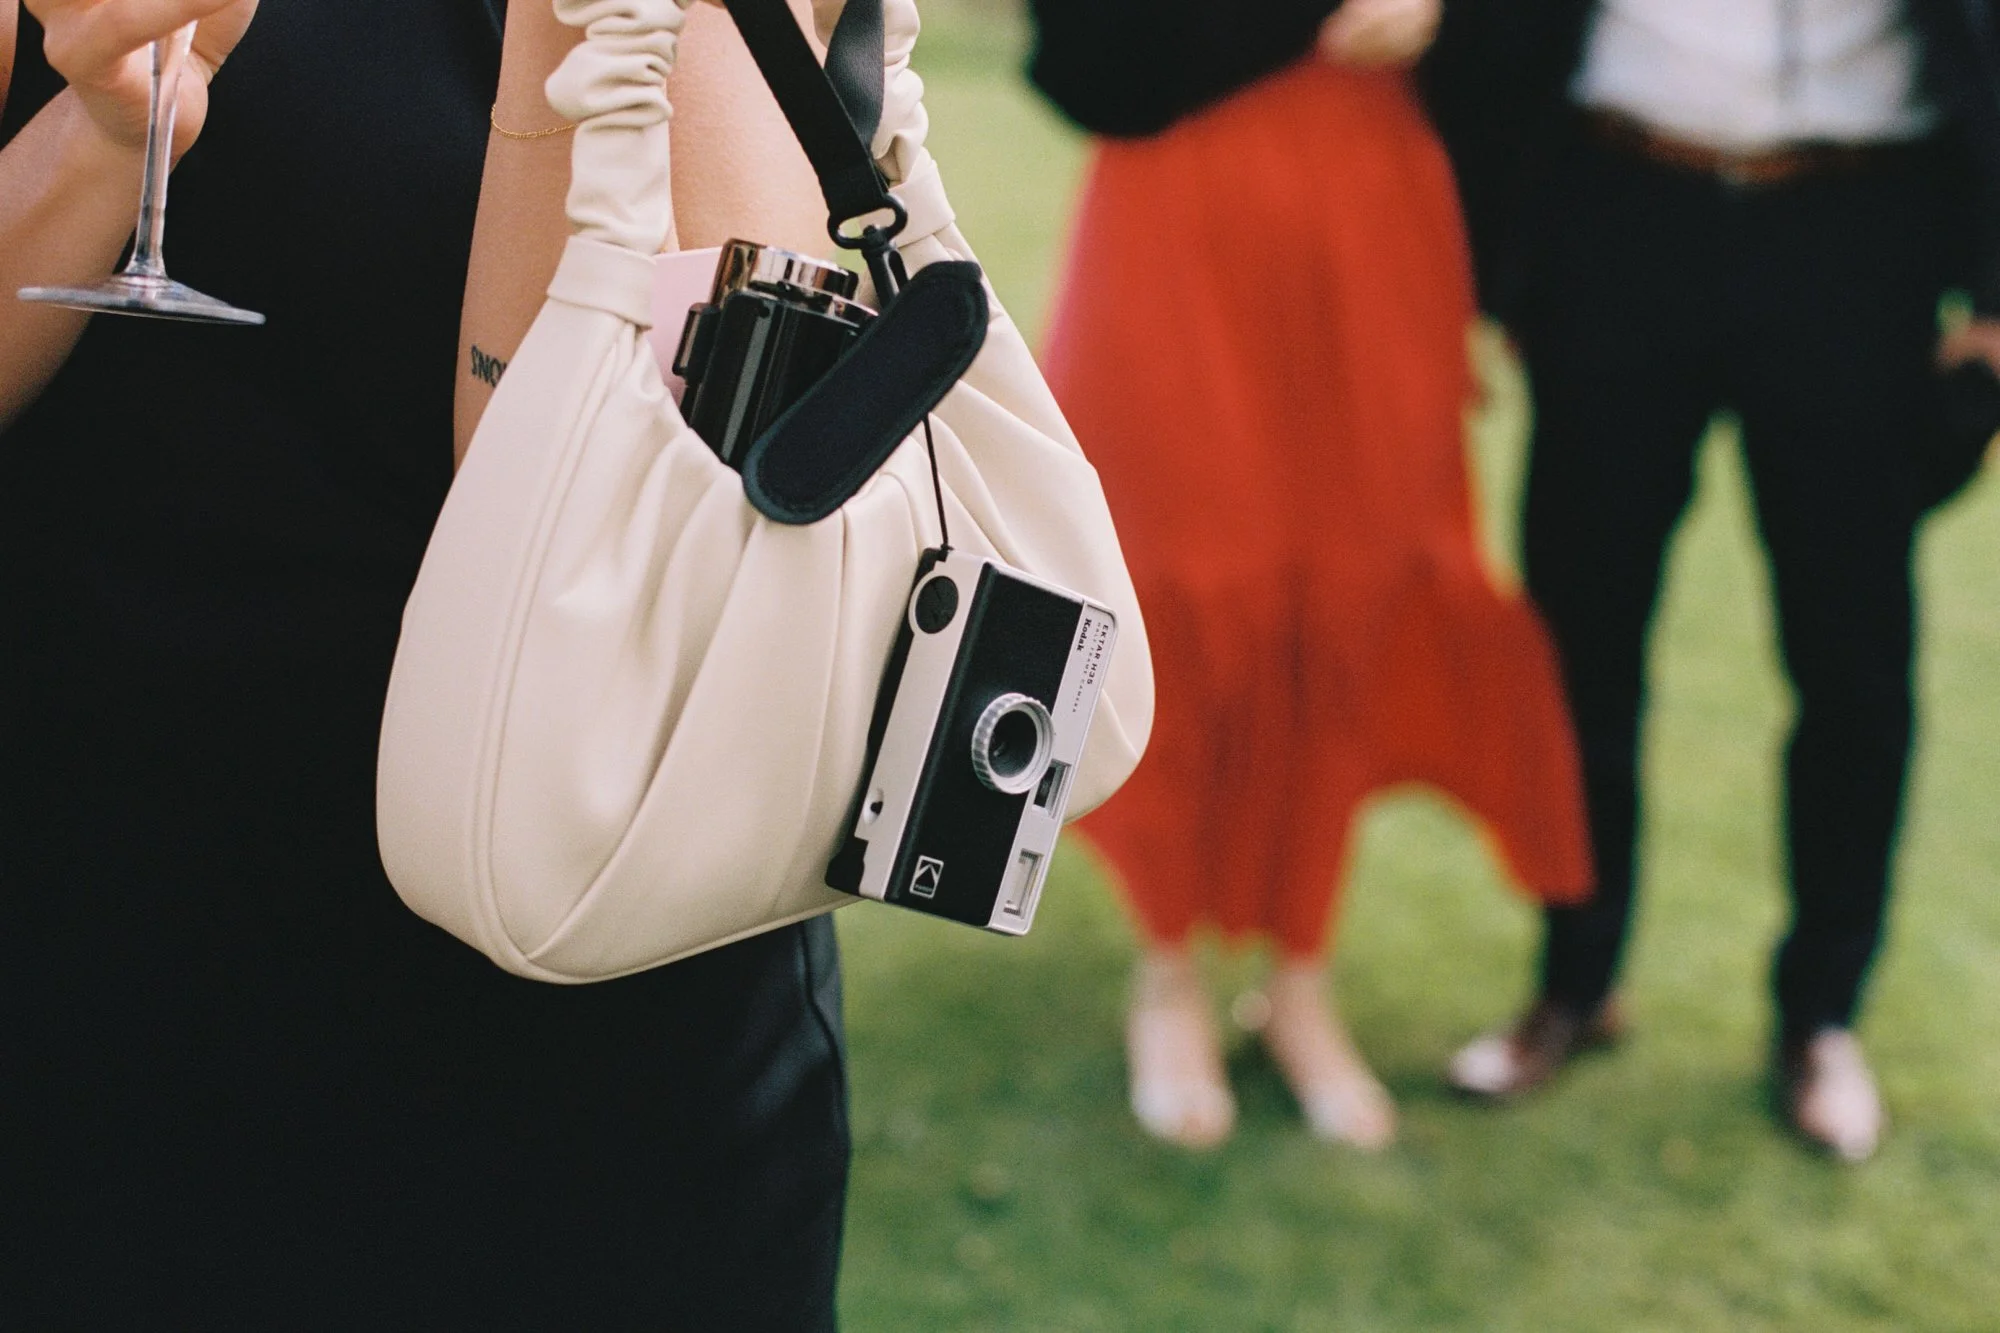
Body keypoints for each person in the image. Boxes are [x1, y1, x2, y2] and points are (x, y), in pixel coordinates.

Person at [1, 0, 850, 1324]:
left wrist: (553, 72)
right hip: (93, 970)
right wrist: (110, 136)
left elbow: (670, 500)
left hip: (586, 999)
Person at [1423, 0, 2000, 1162]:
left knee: (1850, 659)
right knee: (1581, 633)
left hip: (1859, 229)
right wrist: (1503, 263)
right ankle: (1573, 980)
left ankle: (1820, 1017)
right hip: (1621, 207)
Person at [1029, 0, 1594, 1151]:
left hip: (1374, 205)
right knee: (1180, 585)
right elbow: (1081, 52)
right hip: (1180, 199)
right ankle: (1168, 966)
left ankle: (1299, 965)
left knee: (1358, 587)